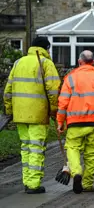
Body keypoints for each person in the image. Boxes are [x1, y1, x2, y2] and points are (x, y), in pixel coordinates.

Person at [3, 37, 61, 194]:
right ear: (45, 48)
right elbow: (54, 90)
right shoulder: (46, 63)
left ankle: (27, 181)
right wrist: (55, 110)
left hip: (20, 114)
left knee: (26, 147)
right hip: (38, 114)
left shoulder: (18, 63)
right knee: (36, 147)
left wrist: (9, 109)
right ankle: (34, 184)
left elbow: (8, 89)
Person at [56, 50, 94, 194]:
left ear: (79, 61)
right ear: (93, 62)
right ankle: (88, 184)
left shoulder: (70, 78)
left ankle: (76, 171)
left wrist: (60, 121)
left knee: (72, 148)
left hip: (74, 122)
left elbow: (63, 103)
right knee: (91, 153)